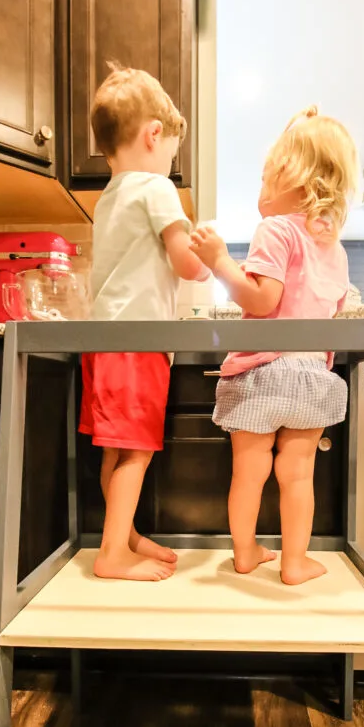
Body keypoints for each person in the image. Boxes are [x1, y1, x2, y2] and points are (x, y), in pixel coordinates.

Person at [189, 107, 358, 585]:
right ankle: (294, 562)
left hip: (262, 369)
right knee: (298, 473)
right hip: (312, 377)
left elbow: (263, 300)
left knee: (249, 470)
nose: (260, 191)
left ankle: (244, 553)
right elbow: (332, 309)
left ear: (297, 180)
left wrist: (221, 262)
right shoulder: (336, 250)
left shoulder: (278, 228)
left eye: (266, 179)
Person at [81, 64, 209, 581]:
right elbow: (186, 263)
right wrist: (208, 254)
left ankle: (124, 535)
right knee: (136, 451)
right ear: (154, 134)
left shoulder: (108, 198)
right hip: (138, 344)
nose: (170, 163)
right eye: (172, 152)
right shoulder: (157, 190)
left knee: (116, 448)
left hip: (104, 342)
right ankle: (112, 554)